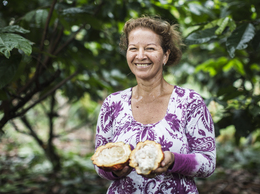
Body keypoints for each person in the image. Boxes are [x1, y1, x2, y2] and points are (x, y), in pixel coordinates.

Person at [93, 16, 216, 194]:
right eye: (133, 48)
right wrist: (115, 170)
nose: (140, 56)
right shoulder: (113, 103)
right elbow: (100, 162)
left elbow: (208, 163)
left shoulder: (190, 102)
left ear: (165, 55)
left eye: (150, 48)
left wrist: (173, 160)